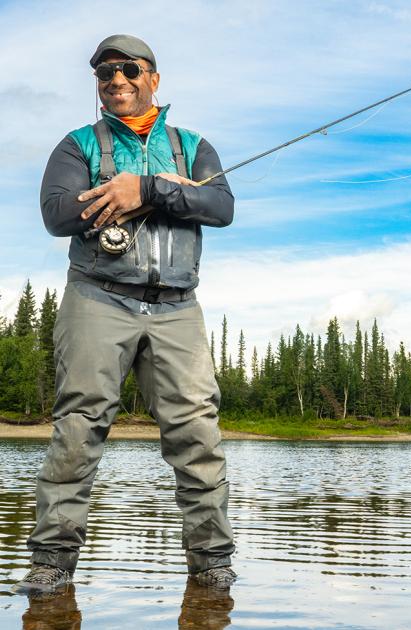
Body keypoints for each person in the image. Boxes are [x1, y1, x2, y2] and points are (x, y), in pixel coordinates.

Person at [14, 34, 236, 593]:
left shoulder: (192, 145)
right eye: (105, 75)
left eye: (129, 71)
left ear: (153, 78)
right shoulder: (77, 144)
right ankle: (51, 562)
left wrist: (151, 188)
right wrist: (126, 191)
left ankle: (210, 564)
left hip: (178, 307)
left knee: (198, 435)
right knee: (77, 429)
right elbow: (57, 213)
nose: (117, 82)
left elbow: (222, 206)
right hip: (96, 297)